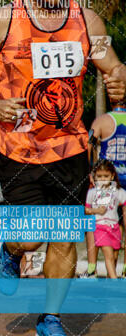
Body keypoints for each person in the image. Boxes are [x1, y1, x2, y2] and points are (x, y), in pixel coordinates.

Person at [0, 0, 126, 334]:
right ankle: (12, 250)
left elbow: (112, 66)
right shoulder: (5, 19)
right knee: (30, 240)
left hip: (69, 148)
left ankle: (50, 317)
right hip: (18, 148)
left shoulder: (87, 21)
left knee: (63, 236)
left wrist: (117, 79)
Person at [86, 101, 126, 278]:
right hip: (115, 180)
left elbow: (89, 144)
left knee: (94, 222)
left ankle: (91, 268)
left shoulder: (102, 121)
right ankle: (123, 269)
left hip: (105, 178)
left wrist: (91, 171)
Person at [84, 160, 126, 279]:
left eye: (106, 176)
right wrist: (96, 211)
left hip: (115, 228)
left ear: (112, 175)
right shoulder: (92, 192)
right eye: (99, 176)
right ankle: (115, 282)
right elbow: (85, 210)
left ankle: (109, 283)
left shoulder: (119, 191)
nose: (103, 179)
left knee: (114, 257)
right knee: (109, 256)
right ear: (94, 176)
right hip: (100, 227)